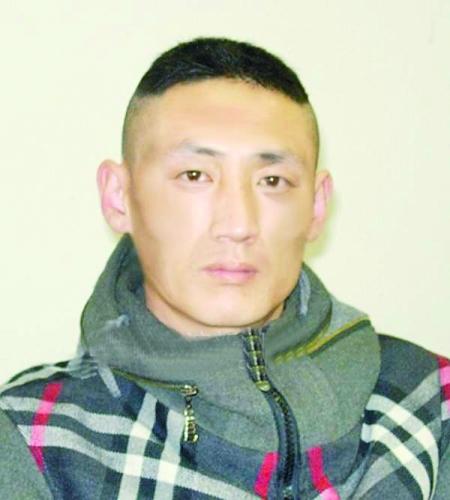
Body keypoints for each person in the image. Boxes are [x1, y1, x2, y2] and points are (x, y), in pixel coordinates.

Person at [0, 37, 448, 499]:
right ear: (119, 198)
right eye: (195, 176)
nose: (238, 225)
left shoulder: (433, 407)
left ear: (316, 207)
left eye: (272, 180)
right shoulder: (32, 436)